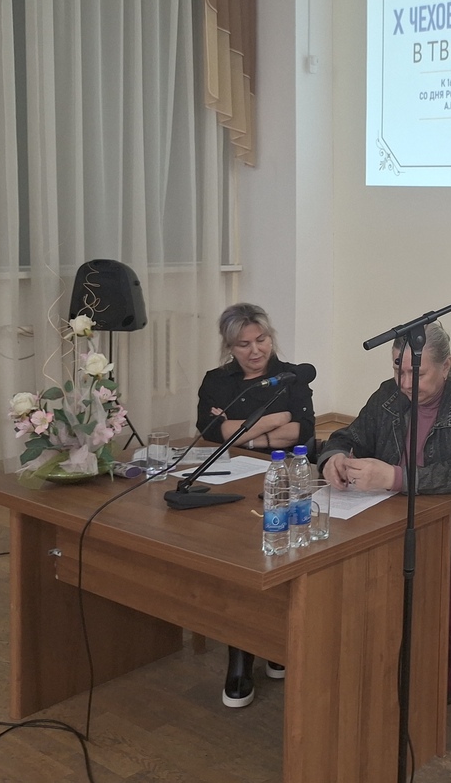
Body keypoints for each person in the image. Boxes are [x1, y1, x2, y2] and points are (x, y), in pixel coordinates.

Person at [317, 322, 451, 705]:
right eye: (397, 369)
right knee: (363, 586)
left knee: (446, 609)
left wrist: (392, 476)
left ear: (446, 366)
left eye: (417, 372)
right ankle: (380, 666)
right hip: (401, 520)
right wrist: (334, 457)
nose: (404, 381)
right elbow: (348, 436)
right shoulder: (388, 395)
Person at [196, 302, 315, 709]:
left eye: (261, 339)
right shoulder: (217, 380)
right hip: (231, 478)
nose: (255, 350)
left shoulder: (293, 376)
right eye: (243, 344)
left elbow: (302, 431)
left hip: (284, 480)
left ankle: (277, 644)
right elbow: (210, 431)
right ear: (230, 347)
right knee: (240, 559)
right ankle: (241, 654)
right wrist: (273, 422)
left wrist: (240, 430)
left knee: (282, 558)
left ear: (270, 337)